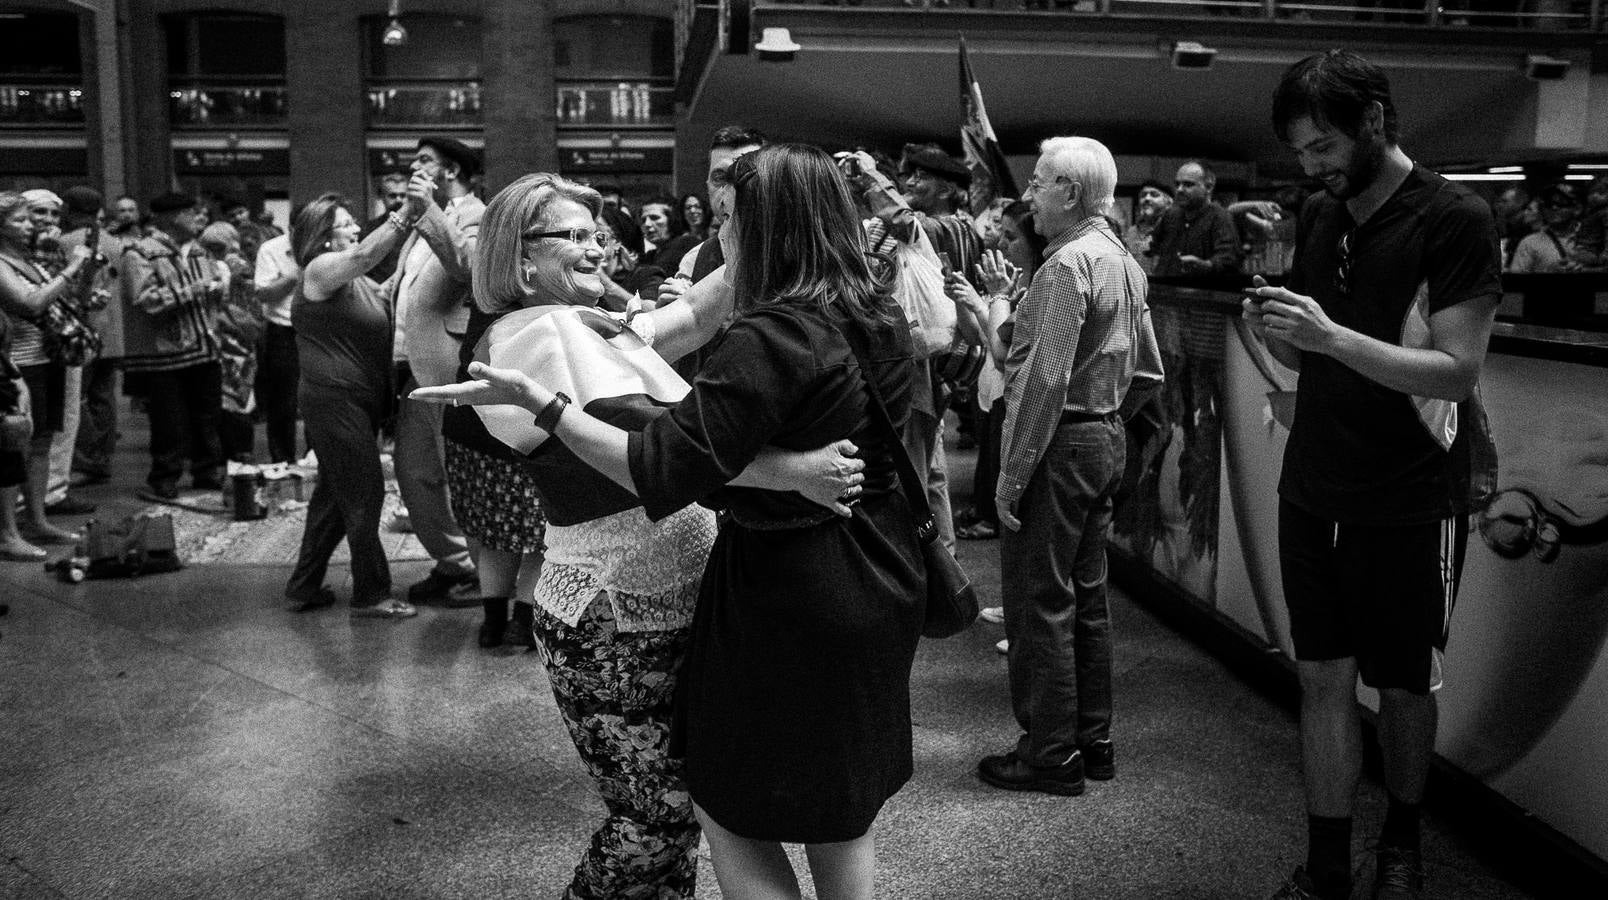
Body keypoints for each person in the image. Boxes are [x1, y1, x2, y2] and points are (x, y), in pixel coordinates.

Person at [416, 144, 926, 900]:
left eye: (598, 233)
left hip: (691, 601)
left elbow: (688, 316)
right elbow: (662, 449)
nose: (597, 246)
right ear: (520, 262)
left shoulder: (583, 323)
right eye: (572, 236)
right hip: (617, 609)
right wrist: (786, 470)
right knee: (657, 825)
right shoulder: (534, 335)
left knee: (694, 818)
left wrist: (779, 221)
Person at [1252, 50, 1501, 900]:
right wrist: (1277, 328)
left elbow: (1456, 372)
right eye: (1300, 150)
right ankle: (1325, 863)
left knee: (1402, 683)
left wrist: (1326, 339)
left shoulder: (1456, 216)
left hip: (1409, 496)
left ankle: (1401, 842)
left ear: (1376, 122)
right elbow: (1312, 350)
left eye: (1323, 145)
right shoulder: (1321, 214)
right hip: (1313, 484)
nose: (1310, 164)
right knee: (1320, 675)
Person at [976, 136, 1164, 797]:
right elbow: (1147, 371)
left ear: (1071, 193)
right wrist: (1104, 414)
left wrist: (1012, 475)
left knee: (1038, 605)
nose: (1027, 195)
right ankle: (1093, 741)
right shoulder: (1122, 261)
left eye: (1038, 182)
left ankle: (1049, 754)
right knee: (1087, 603)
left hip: (1057, 446)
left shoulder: (1064, 267)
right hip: (1103, 438)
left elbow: (1044, 381)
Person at [284, 193, 416, 619]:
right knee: (364, 492)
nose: (355, 229)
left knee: (334, 496)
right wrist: (407, 213)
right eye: (345, 223)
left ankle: (304, 585)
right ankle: (372, 594)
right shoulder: (321, 269)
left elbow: (383, 291)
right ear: (323, 236)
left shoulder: (351, 280)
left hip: (352, 400)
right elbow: (363, 254)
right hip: (334, 400)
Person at [388, 136, 482, 606]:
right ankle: (453, 562)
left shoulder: (474, 214)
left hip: (450, 364)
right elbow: (403, 283)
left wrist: (427, 211)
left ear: (451, 171)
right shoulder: (421, 218)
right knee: (414, 471)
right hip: (414, 364)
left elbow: (466, 268)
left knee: (455, 472)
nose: (413, 167)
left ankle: (482, 571)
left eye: (424, 160)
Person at [0, 191, 95, 546]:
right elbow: (29, 302)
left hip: (47, 358)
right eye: (21, 219)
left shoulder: (28, 259)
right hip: (18, 364)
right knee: (15, 446)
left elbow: (62, 300)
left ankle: (37, 520)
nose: (31, 225)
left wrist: (83, 278)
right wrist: (70, 269)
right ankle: (9, 531)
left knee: (41, 445)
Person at [121, 192, 226, 500]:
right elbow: (145, 301)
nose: (198, 217)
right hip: (165, 353)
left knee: (208, 416)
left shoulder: (200, 252)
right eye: (190, 212)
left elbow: (212, 295)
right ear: (168, 218)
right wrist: (196, 290)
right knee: (170, 421)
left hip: (205, 346)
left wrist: (220, 289)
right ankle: (165, 477)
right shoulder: (139, 253)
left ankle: (207, 472)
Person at [657, 124, 767, 382]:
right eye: (720, 178)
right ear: (707, 185)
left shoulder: (802, 255)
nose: (731, 189)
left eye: (746, 175)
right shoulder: (696, 257)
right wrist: (670, 321)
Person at [62, 187, 124, 490]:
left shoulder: (64, 243)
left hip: (80, 330)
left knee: (77, 398)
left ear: (69, 210)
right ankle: (103, 458)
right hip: (112, 331)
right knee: (103, 396)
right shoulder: (117, 244)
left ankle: (86, 459)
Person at [253, 213, 302, 464]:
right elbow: (263, 293)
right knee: (283, 400)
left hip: (316, 330)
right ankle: (283, 461)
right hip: (282, 329)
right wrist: (293, 275)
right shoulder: (271, 249)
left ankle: (318, 459)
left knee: (319, 398)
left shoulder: (324, 245)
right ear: (291, 228)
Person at [1150, 160, 1242, 277]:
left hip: (1203, 291)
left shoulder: (1220, 217)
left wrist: (1205, 265)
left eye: (1188, 185)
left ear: (1208, 187)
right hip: (1167, 288)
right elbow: (1153, 247)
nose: (1179, 189)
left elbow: (1230, 259)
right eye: (1177, 184)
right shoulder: (1171, 215)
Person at [1507, 183, 1582, 273]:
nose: (1554, 207)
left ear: (1577, 209)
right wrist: (1547, 272)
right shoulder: (1530, 243)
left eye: (1561, 203)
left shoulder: (1594, 238)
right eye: (1548, 203)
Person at [360, 173, 410, 283]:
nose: (398, 200)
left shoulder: (417, 228)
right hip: (378, 291)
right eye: (392, 196)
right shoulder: (368, 230)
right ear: (381, 196)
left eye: (402, 195)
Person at [639, 195, 698, 274]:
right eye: (643, 220)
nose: (647, 224)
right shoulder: (650, 255)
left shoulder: (688, 244)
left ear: (672, 220)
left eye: (654, 218)